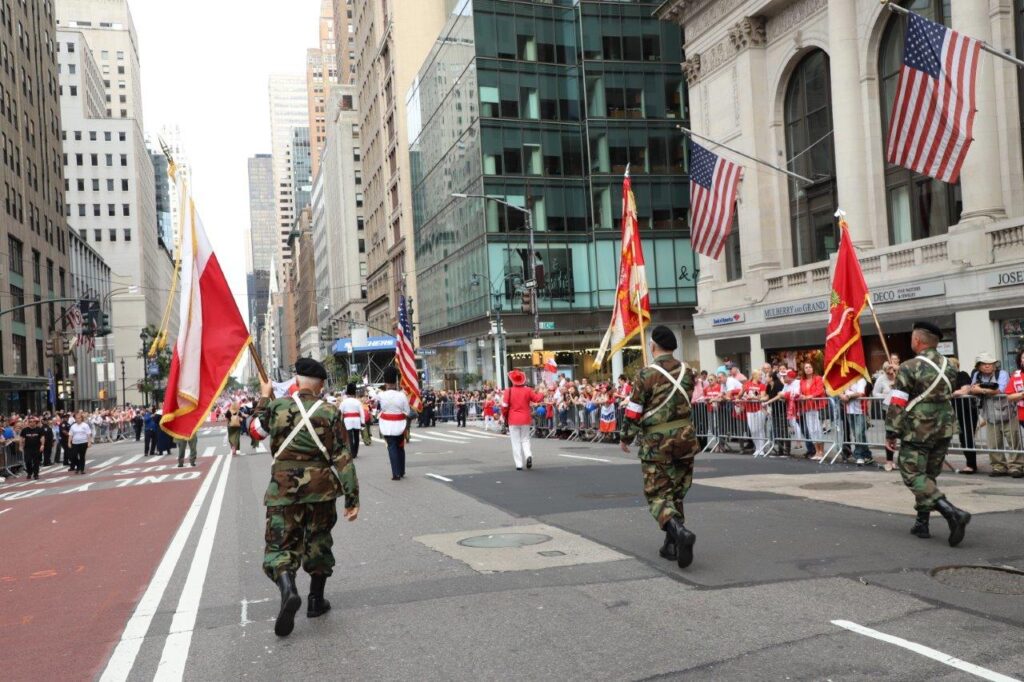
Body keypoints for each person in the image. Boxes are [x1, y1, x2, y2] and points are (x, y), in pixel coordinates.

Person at [255, 357, 359, 637]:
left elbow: (255, 431)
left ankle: (288, 589)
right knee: (318, 541)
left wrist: (265, 397)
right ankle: (315, 600)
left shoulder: (277, 407)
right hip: (321, 490)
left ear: (296, 382)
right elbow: (342, 457)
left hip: (282, 490)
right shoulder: (329, 411)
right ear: (322, 385)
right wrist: (352, 497)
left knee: (280, 546)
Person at [620, 325, 699, 569]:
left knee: (657, 494)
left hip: (658, 442)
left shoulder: (646, 374)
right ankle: (671, 545)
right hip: (685, 438)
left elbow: (634, 409)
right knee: (676, 492)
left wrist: (626, 436)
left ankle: (679, 531)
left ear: (653, 345)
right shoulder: (689, 372)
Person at [885, 321, 970, 546]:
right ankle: (922, 523)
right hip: (945, 425)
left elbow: (898, 401)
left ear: (917, 341)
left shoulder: (909, 366)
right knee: (928, 475)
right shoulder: (950, 366)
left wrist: (891, 431)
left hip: (919, 427)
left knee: (913, 473)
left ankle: (951, 512)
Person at [969, 352, 1022, 477]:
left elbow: (1000, 389)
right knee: (993, 443)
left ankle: (1016, 467)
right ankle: (999, 467)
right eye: (984, 364)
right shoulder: (976, 375)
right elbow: (972, 389)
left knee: (1013, 441)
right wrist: (983, 390)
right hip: (989, 414)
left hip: (1007, 413)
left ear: (994, 365)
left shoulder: (1002, 373)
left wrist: (980, 390)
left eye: (990, 363)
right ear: (978, 366)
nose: (987, 366)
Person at [502, 369, 545, 471]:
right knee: (525, 439)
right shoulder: (528, 390)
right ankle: (528, 455)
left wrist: (505, 416)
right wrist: (543, 392)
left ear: (512, 380)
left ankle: (519, 464)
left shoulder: (509, 391)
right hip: (525, 418)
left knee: (515, 442)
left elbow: (504, 406)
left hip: (513, 419)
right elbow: (537, 399)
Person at [378, 367, 411, 480]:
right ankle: (401, 471)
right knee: (400, 447)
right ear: (396, 381)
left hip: (387, 425)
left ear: (385, 382)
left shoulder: (381, 395)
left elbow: (379, 408)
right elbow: (407, 411)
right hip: (400, 424)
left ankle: (396, 473)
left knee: (391, 447)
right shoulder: (402, 395)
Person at [949, 357, 980, 474]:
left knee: (967, 436)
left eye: (952, 365)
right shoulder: (946, 379)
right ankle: (970, 463)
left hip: (967, 410)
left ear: (957, 366)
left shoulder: (962, 375)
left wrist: (952, 394)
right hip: (954, 411)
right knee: (962, 438)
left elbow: (964, 390)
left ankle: (971, 465)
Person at [841, 375, 872, 466]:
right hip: (849, 410)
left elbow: (860, 393)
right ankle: (868, 455)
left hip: (860, 410)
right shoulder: (845, 380)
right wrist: (842, 395)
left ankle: (859, 456)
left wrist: (848, 395)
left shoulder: (861, 379)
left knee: (859, 433)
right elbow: (839, 391)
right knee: (857, 434)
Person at [872, 362, 898, 470]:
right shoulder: (881, 379)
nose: (890, 370)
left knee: (900, 434)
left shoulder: (900, 376)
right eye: (888, 368)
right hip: (888, 409)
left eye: (892, 367)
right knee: (890, 434)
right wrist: (885, 395)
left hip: (902, 408)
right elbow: (875, 393)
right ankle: (889, 460)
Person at [799, 363, 826, 460]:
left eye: (810, 367)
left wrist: (809, 396)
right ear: (804, 370)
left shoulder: (818, 378)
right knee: (811, 429)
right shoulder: (802, 381)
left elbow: (820, 390)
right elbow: (800, 392)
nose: (808, 369)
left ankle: (821, 451)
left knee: (818, 429)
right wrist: (801, 396)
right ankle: (816, 451)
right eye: (806, 367)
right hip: (807, 407)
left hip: (816, 407)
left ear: (813, 368)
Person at [339, 383, 364, 459]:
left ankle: (352, 452)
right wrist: (363, 422)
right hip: (356, 420)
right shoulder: (358, 402)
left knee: (349, 437)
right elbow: (361, 412)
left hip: (347, 420)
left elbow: (340, 412)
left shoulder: (344, 402)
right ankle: (355, 452)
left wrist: (339, 421)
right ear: (354, 392)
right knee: (356, 437)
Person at [20, 415, 47, 480]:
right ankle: (29, 472)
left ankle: (36, 474)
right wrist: (20, 446)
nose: (31, 423)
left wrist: (42, 445)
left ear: (35, 422)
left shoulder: (39, 429)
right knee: (28, 461)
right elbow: (21, 438)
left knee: (36, 462)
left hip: (37, 448)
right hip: (27, 448)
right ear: (28, 423)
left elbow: (42, 437)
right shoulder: (24, 430)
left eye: (33, 421)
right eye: (30, 422)